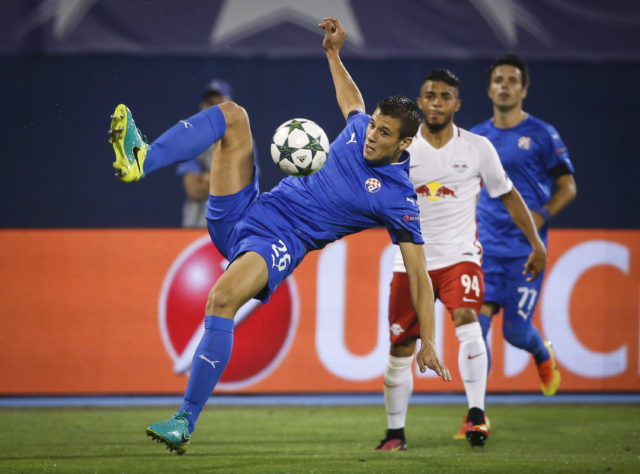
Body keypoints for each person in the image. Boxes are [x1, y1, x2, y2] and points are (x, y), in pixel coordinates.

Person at [107, 17, 450, 455]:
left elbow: (419, 274)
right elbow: (353, 100)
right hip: (248, 210)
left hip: (279, 241)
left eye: (383, 133)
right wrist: (332, 53)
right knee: (233, 116)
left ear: (403, 145)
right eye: (372, 125)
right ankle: (142, 158)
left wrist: (429, 340)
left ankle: (183, 420)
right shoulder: (358, 128)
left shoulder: (398, 199)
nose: (370, 135)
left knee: (221, 300)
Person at [375, 69, 547, 451]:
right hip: (410, 262)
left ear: (457, 104)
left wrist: (536, 243)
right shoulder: (401, 149)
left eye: (444, 96)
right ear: (419, 103)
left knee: (468, 318)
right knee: (401, 347)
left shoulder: (477, 147)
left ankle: (475, 414)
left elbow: (508, 194)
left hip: (459, 257)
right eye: (430, 95)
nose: (436, 102)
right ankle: (394, 433)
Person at [472, 54, 577, 398]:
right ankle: (477, 414)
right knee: (476, 328)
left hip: (524, 251)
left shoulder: (542, 134)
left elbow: (568, 186)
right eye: (498, 80)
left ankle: (542, 352)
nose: (505, 85)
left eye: (512, 80)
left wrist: (542, 216)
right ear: (489, 89)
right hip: (485, 248)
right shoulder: (476, 138)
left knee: (515, 334)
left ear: (524, 89)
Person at [176, 79, 233, 228]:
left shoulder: (245, 141)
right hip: (195, 229)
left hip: (230, 229)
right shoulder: (191, 141)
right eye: (209, 104)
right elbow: (193, 189)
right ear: (202, 107)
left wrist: (208, 177)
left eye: (219, 103)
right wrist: (224, 178)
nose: (214, 109)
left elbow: (241, 187)